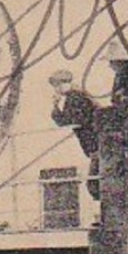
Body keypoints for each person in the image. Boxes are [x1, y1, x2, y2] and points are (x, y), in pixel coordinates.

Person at [48, 69, 102, 201]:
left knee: (95, 184)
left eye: (57, 85)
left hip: (96, 144)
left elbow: (65, 121)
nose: (56, 89)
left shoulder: (75, 97)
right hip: (95, 144)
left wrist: (55, 105)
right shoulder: (78, 95)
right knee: (96, 182)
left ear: (65, 83)